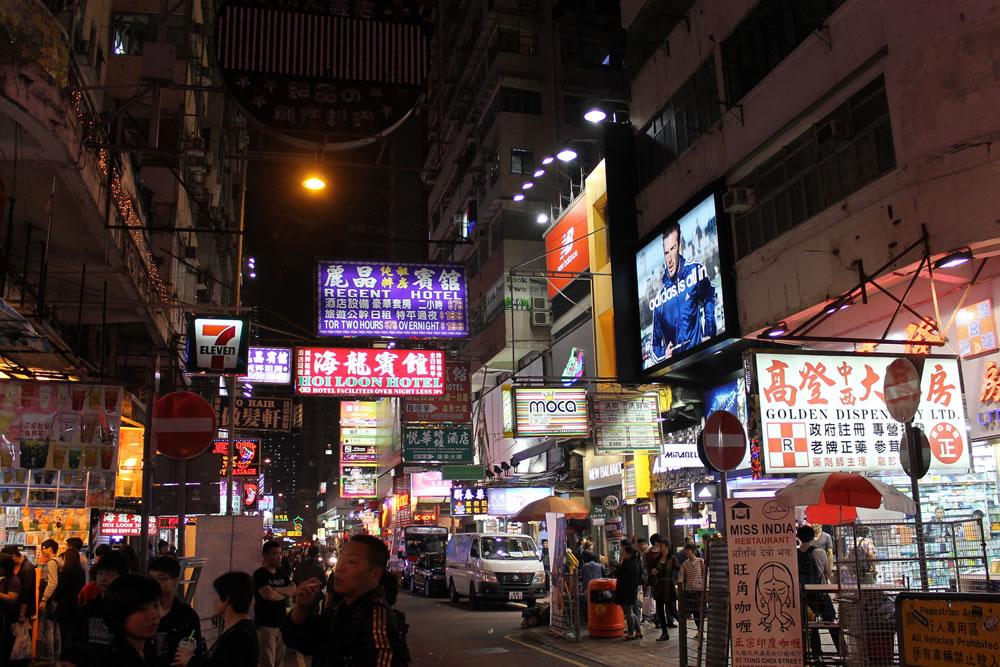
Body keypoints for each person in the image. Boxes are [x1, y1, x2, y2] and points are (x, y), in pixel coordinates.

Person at [282, 535, 410, 665]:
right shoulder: (343, 609)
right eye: (341, 559)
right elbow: (302, 641)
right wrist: (301, 607)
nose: (340, 568)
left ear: (375, 573)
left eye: (351, 562)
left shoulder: (376, 620)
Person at [650, 219, 717, 361]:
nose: (669, 258)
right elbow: (654, 346)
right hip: (676, 373)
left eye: (672, 249)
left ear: (679, 246)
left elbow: (710, 296)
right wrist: (664, 354)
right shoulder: (659, 300)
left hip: (701, 359)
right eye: (666, 252)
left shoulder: (694, 271)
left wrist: (709, 332)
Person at [172, 572, 258, 667]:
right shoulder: (239, 629)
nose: (213, 600)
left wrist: (190, 661)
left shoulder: (239, 636)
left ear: (226, 600)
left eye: (215, 595)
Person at [65, 549, 131, 666]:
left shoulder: (128, 610)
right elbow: (78, 640)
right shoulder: (89, 608)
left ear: (122, 577)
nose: (103, 578)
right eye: (100, 573)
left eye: (110, 574)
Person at [148, 556, 204, 667]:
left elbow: (197, 653)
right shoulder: (143, 613)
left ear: (174, 581)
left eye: (161, 579)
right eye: (152, 579)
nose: (155, 583)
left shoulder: (187, 616)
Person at [797, 525, 841, 658]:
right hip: (820, 594)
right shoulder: (820, 552)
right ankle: (841, 651)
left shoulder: (795, 553)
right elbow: (827, 573)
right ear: (812, 537)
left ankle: (816, 656)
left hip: (804, 596)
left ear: (798, 536)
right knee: (831, 621)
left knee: (811, 625)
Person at [102, 574, 163, 666]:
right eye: (142, 609)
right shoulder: (114, 659)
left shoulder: (149, 648)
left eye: (156, 606)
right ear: (120, 614)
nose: (153, 615)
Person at [254, 541, 297, 667]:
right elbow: (269, 596)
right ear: (265, 556)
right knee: (267, 662)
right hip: (265, 626)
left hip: (281, 624)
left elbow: (293, 589)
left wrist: (276, 590)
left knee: (279, 662)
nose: (279, 557)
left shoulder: (281, 572)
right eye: (275, 554)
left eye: (280, 554)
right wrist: (285, 592)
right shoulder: (259, 574)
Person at [53, 547, 86, 660]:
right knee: (73, 632)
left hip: (65, 605)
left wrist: (55, 598)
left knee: (64, 633)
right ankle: (73, 656)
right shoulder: (81, 572)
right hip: (76, 605)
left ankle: (64, 656)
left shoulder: (65, 572)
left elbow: (60, 589)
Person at [0, 547, 35, 627]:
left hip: (20, 608)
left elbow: (26, 593)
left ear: (13, 556)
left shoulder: (27, 568)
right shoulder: (17, 566)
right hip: (12, 609)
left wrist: (22, 614)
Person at [613, 545, 642, 641]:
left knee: (628, 612)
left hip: (626, 590)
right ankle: (638, 631)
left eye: (624, 552)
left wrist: (618, 566)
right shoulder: (633, 562)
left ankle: (631, 633)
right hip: (630, 590)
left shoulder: (628, 564)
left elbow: (619, 574)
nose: (622, 554)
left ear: (629, 554)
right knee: (630, 611)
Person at [650, 543, 677, 641]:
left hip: (669, 587)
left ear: (666, 547)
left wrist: (673, 580)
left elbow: (677, 571)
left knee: (672, 609)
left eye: (661, 546)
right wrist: (653, 572)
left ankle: (683, 627)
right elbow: (653, 569)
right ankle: (664, 633)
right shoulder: (657, 559)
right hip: (659, 587)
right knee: (660, 610)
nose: (659, 548)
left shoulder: (672, 559)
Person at [0, 552, 23, 667]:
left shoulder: (13, 580)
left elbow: (12, 598)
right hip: (4, 617)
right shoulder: (4, 578)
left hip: (8, 619)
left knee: (6, 646)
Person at [292, 546, 327, 617]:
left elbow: (294, 581)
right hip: (314, 598)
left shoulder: (300, 565)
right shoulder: (319, 567)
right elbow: (323, 582)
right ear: (317, 554)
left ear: (308, 553)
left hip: (301, 596)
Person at [677, 544, 705, 631]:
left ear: (693, 551)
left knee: (698, 612)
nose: (686, 553)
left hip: (699, 590)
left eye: (688, 551)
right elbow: (681, 577)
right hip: (689, 591)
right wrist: (679, 585)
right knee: (694, 611)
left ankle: (700, 630)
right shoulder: (684, 564)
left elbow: (706, 575)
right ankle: (699, 630)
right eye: (686, 551)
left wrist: (706, 587)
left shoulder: (701, 561)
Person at [578, 551, 604, 625]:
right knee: (599, 603)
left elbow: (581, 576)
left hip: (588, 588)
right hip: (600, 587)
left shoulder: (584, 566)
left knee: (587, 604)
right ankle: (599, 618)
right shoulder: (600, 565)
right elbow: (604, 575)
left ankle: (588, 620)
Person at [39, 539, 62, 615]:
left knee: (48, 623)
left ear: (50, 549)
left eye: (44, 548)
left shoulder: (52, 562)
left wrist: (44, 599)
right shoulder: (60, 560)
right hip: (58, 597)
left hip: (52, 599)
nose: (42, 551)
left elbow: (52, 583)